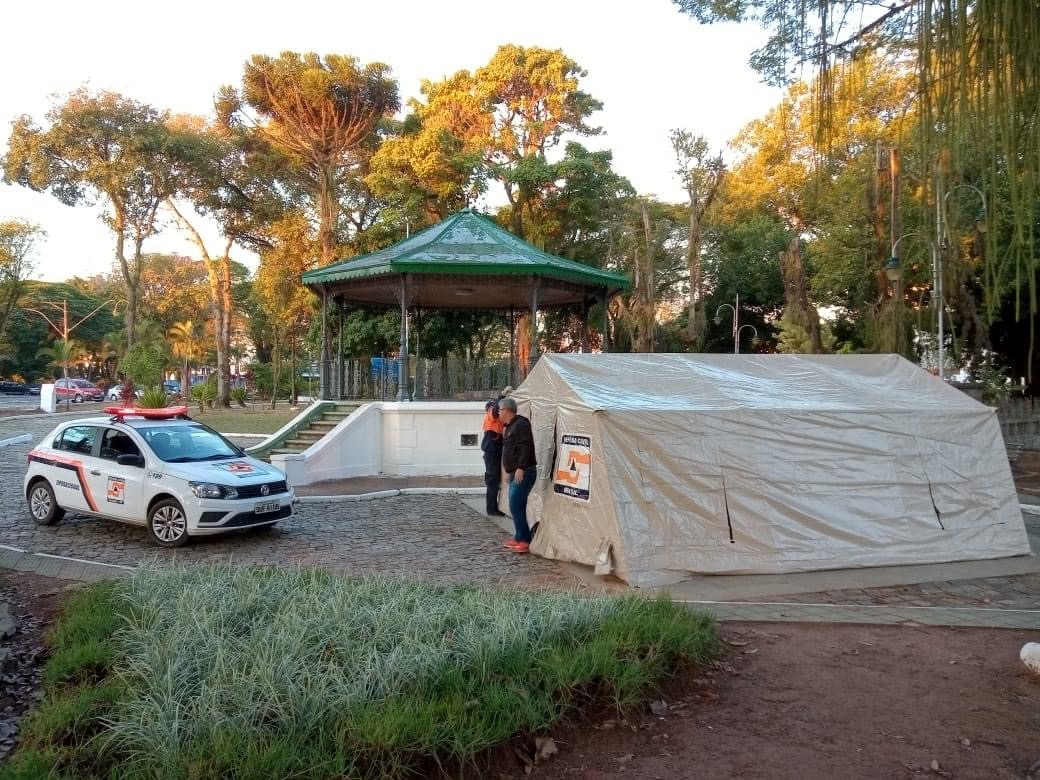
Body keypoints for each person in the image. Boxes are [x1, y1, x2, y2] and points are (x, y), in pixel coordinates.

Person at [499, 396, 537, 554]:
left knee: (516, 505)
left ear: (508, 410)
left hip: (525, 471)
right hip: (515, 472)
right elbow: (510, 451)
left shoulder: (520, 424)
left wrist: (520, 468)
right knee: (515, 506)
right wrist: (510, 471)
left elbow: (525, 447)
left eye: (500, 410)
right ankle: (519, 535)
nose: (498, 413)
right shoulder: (509, 426)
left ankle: (524, 540)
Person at [480, 386, 512, 517]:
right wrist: (501, 397)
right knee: (493, 480)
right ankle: (492, 509)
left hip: (496, 449)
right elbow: (494, 411)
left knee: (498, 479)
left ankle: (496, 507)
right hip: (491, 450)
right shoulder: (491, 413)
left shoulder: (498, 416)